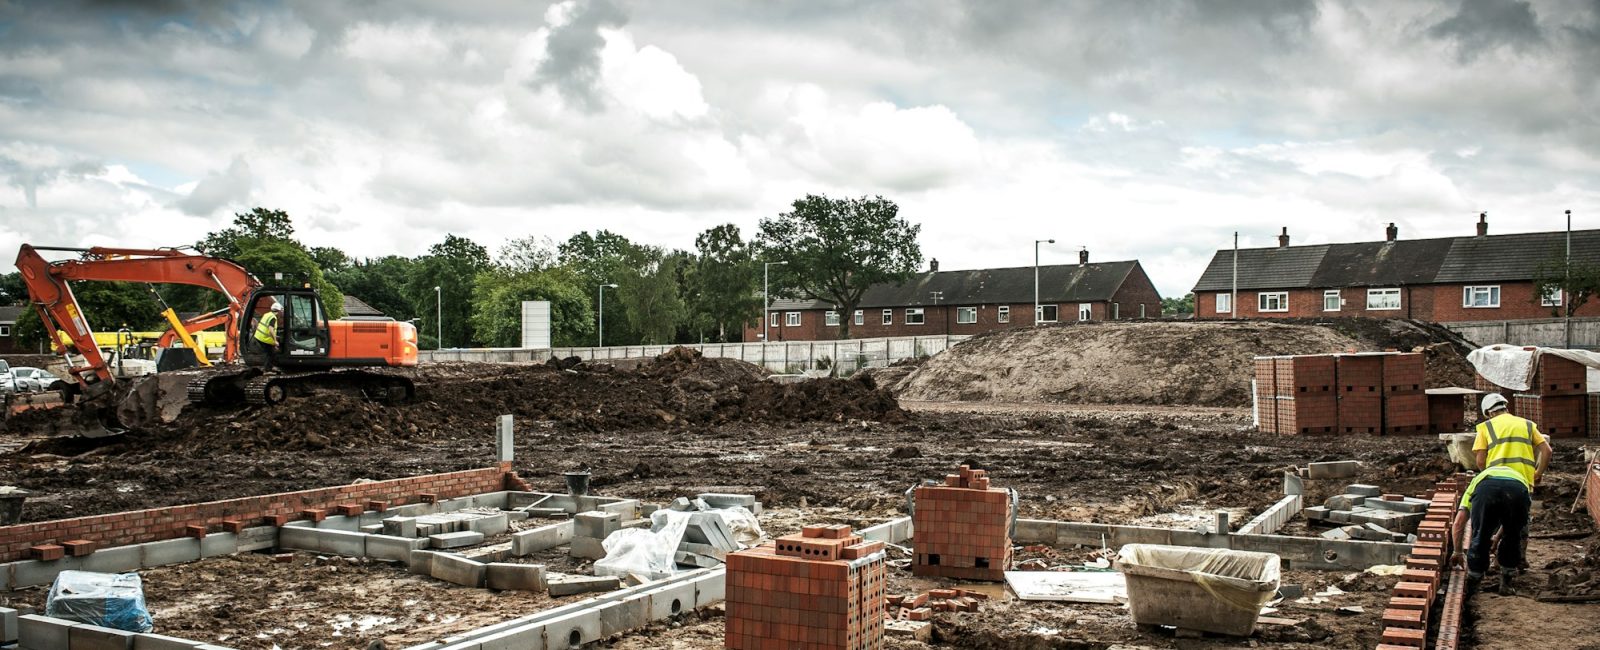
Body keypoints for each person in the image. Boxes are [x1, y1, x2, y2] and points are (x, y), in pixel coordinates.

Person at [1450, 464, 1531, 594]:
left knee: (1480, 534)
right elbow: (1511, 522)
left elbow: (1459, 523)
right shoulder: (1521, 479)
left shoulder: (1476, 482)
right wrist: (1498, 537)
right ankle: (1506, 583)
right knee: (1513, 535)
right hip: (1517, 490)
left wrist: (1457, 552)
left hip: (1486, 491)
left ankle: (1474, 582)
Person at [254, 302, 283, 373]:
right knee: (270, 354)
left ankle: (270, 367)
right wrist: (275, 341)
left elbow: (265, 328)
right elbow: (270, 329)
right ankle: (267, 370)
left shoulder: (267, 314)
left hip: (259, 336)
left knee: (270, 352)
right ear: (278, 311)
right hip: (264, 338)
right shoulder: (273, 318)